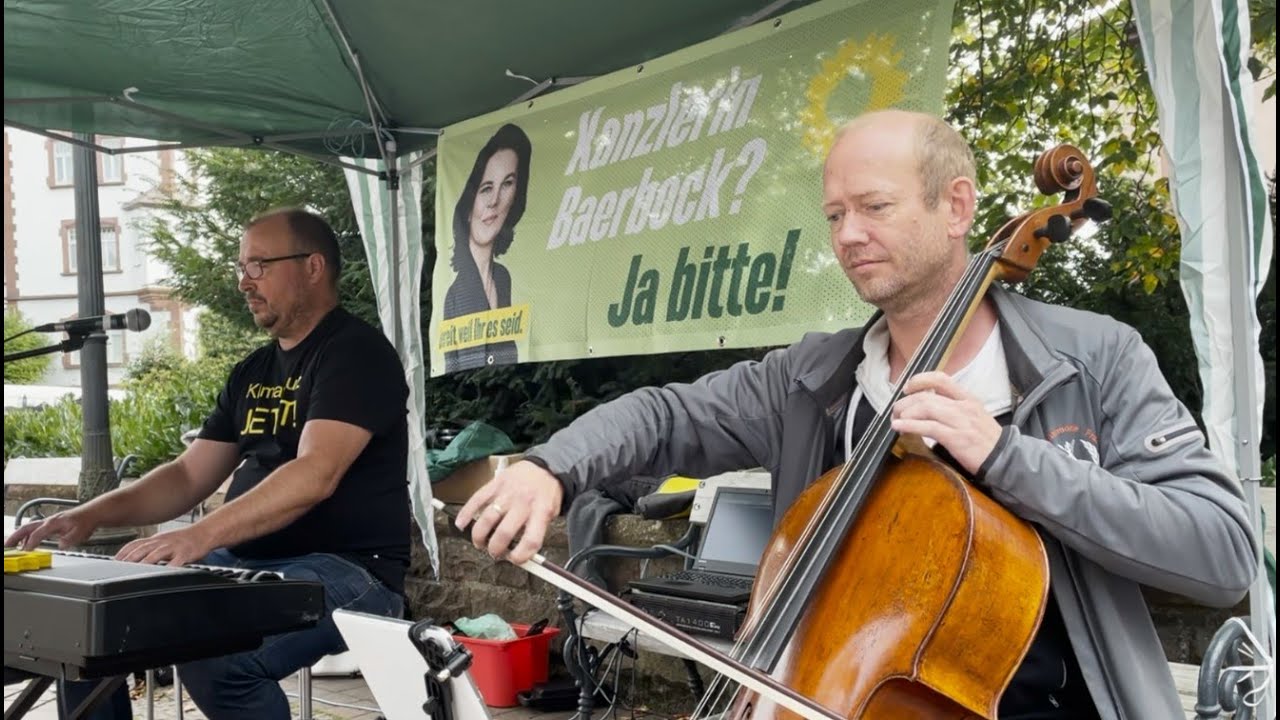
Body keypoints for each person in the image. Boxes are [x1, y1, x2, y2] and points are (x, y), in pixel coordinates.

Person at [456, 110, 1260, 719]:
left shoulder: (1094, 358)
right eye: (836, 215)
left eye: (873, 207)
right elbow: (665, 415)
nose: (849, 235)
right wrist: (547, 468)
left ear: (956, 207)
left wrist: (1007, 456)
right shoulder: (814, 378)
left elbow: (1222, 552)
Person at [7, 208, 411, 720]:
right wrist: (90, 515)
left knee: (221, 660)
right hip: (245, 566)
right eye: (241, 267)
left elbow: (315, 474)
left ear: (313, 266)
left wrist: (199, 537)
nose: (245, 281)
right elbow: (187, 475)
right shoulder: (252, 370)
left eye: (260, 265)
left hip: (352, 571)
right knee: (92, 629)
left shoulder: (355, 352)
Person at [441, 122, 532, 372]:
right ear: (468, 206)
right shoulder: (454, 296)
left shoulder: (503, 278)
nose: (494, 201)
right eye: (486, 188)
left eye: (507, 184)